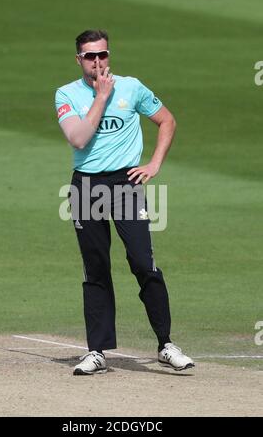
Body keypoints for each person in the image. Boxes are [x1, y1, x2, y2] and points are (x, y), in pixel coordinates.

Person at [55, 29, 194, 375]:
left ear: (108, 55)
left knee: (143, 262)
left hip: (126, 184)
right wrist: (101, 98)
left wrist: (155, 163)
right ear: (79, 60)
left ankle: (166, 344)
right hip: (86, 185)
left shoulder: (131, 87)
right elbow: (79, 137)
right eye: (90, 56)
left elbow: (167, 120)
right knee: (96, 268)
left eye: (102, 54)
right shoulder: (66, 94)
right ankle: (97, 351)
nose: (97, 62)